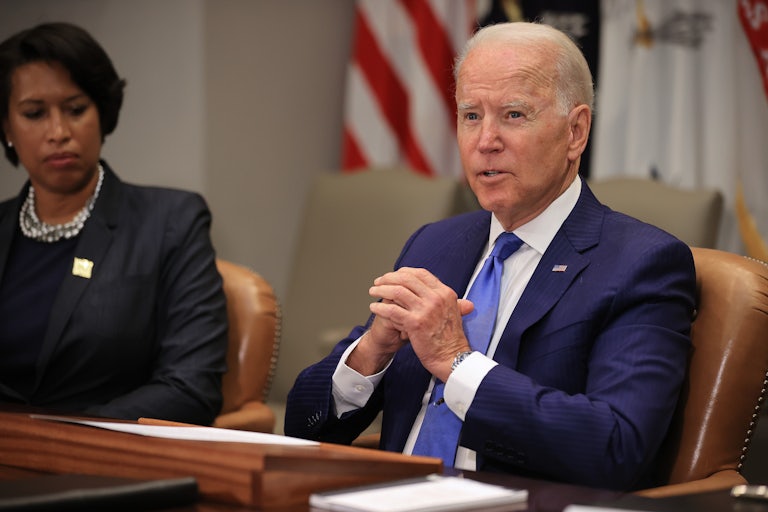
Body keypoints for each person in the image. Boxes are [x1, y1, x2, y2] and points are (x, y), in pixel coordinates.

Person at [284, 22, 696, 491]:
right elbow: (303, 428)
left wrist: (457, 362)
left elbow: (615, 448)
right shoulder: (435, 244)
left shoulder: (641, 264)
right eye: (471, 115)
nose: (485, 141)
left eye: (514, 115)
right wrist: (370, 355)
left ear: (575, 131)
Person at [0, 22, 228, 425]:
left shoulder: (171, 221)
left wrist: (61, 438)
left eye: (75, 109)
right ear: (7, 129)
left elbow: (191, 388)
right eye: (34, 114)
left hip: (103, 464)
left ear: (102, 114)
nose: (58, 132)